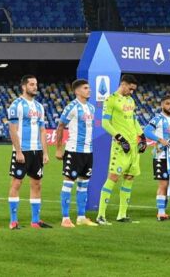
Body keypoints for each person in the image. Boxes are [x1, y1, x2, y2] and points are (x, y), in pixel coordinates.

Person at [96, 74, 147, 225]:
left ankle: (122, 214)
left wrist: (142, 137)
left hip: (133, 147)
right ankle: (100, 215)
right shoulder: (110, 99)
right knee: (113, 178)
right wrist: (119, 138)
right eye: (130, 89)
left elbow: (133, 120)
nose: (132, 92)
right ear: (123, 84)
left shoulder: (130, 100)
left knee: (130, 177)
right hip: (120, 147)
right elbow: (105, 123)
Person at [7, 75, 51, 230]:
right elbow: (12, 129)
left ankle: (35, 220)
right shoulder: (16, 105)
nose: (35, 87)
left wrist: (45, 152)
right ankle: (13, 221)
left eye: (36, 84)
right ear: (24, 87)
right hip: (22, 151)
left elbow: (43, 130)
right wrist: (18, 151)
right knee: (17, 183)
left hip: (36, 151)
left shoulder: (39, 107)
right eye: (32, 84)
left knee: (37, 184)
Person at [55, 79, 98, 227]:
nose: (89, 90)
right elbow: (60, 126)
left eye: (89, 88)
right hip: (74, 151)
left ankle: (81, 216)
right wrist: (59, 148)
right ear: (77, 91)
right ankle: (65, 218)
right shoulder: (72, 107)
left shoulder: (91, 108)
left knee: (84, 185)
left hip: (88, 152)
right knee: (68, 183)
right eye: (86, 88)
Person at [143, 95, 170, 221]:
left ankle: (163, 212)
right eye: (168, 103)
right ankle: (160, 213)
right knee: (163, 184)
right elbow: (146, 131)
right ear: (162, 105)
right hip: (160, 156)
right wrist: (159, 140)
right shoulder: (158, 119)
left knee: (169, 185)